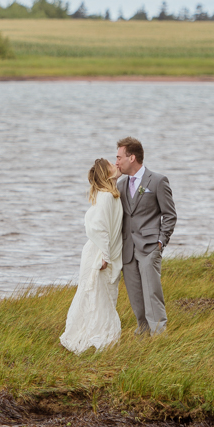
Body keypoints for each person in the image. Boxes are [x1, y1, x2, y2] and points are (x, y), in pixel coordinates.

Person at [59, 158, 125, 354]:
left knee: (104, 296)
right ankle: (99, 339)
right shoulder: (105, 196)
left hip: (106, 252)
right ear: (107, 173)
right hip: (98, 254)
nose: (116, 164)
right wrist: (105, 256)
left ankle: (100, 338)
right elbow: (99, 228)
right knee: (97, 296)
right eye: (112, 165)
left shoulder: (111, 194)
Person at [116, 136, 176, 336]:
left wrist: (161, 242)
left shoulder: (158, 181)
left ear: (131, 157)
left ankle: (160, 336)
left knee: (152, 295)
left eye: (119, 157)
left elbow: (169, 215)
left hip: (150, 247)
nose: (116, 162)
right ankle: (142, 336)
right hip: (128, 251)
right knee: (135, 298)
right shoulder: (121, 185)